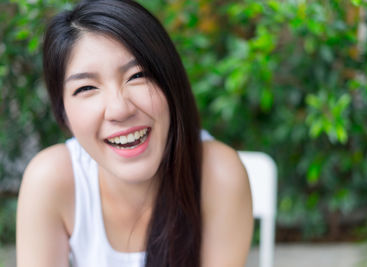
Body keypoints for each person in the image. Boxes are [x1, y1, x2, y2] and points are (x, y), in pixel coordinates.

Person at [16, 0, 253, 266]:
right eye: (86, 88)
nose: (119, 109)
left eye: (137, 75)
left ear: (171, 82)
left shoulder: (218, 174)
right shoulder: (51, 180)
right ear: (64, 113)